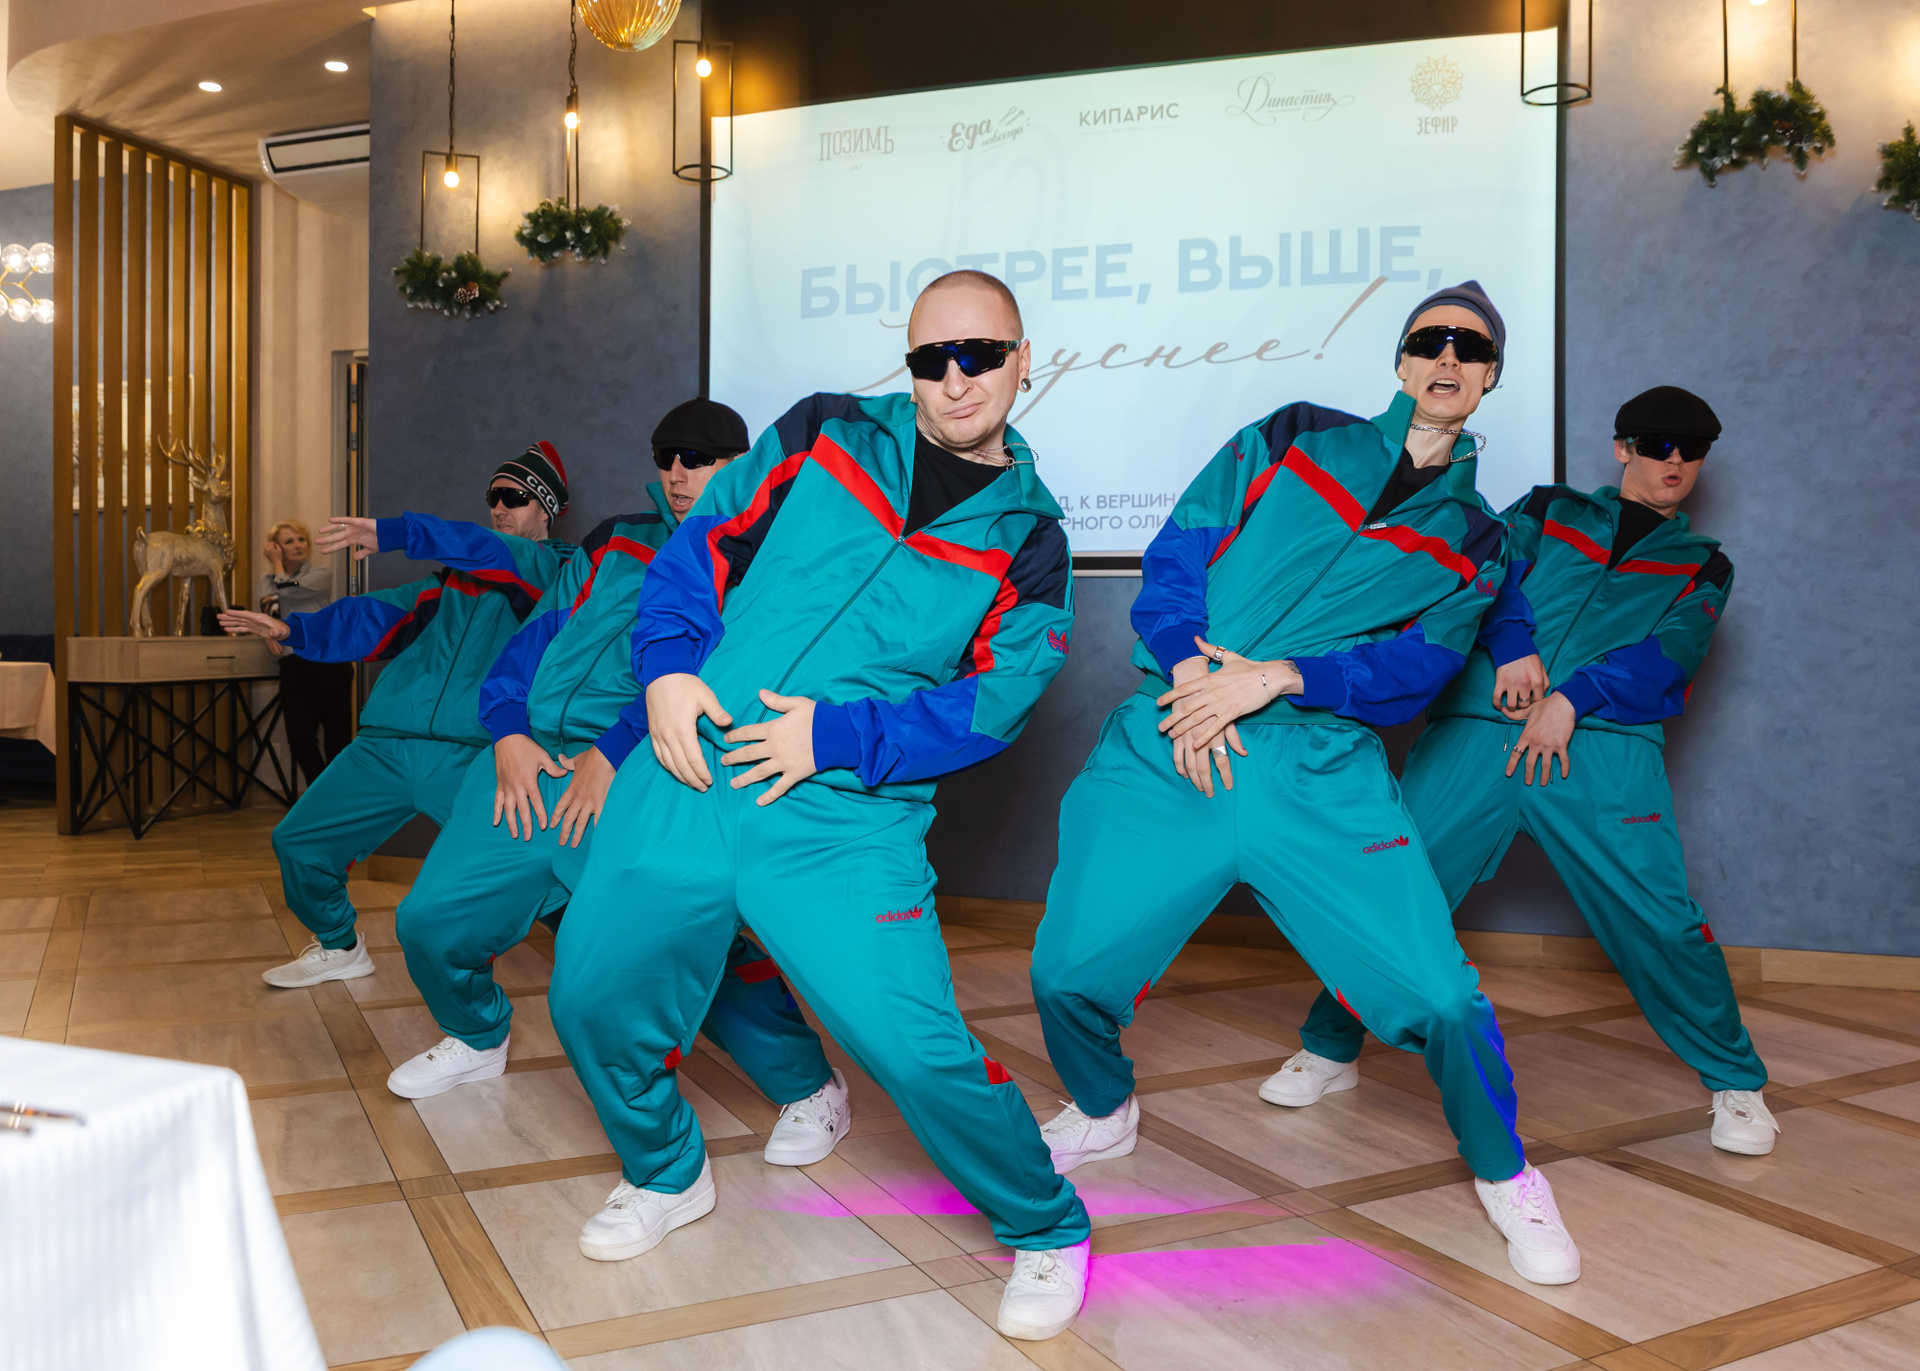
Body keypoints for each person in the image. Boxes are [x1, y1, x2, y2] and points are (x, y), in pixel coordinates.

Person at [546, 273, 1093, 1341]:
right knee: (591, 997)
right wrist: (666, 667)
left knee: (916, 1047)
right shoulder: (826, 431)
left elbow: (997, 701)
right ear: (909, 366)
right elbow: (702, 543)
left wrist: (834, 736)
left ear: (1024, 359)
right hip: (690, 768)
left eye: (980, 354)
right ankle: (665, 1170)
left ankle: (1046, 1222)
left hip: (844, 813)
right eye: (932, 358)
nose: (956, 378)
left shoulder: (1031, 538)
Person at [1029, 282, 1583, 1286]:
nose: (1447, 358)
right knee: (1066, 972)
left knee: (1443, 1000)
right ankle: (1104, 1109)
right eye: (1430, 340)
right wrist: (1191, 672)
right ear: (1402, 360)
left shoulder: (1480, 538)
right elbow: (1182, 548)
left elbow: (1421, 662)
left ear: (1491, 377)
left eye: (1471, 349)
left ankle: (1506, 1171)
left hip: (1319, 767)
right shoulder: (1295, 437)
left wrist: (1281, 677)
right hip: (1174, 734)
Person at [1280, 386, 1777, 1155]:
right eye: (1657, 444)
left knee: (1663, 919)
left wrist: (1573, 699)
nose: (1674, 461)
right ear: (1623, 448)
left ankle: (1736, 1080)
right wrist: (1514, 648)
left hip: (1601, 751)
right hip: (1481, 731)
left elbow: (1671, 652)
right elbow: (1487, 574)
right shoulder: (1550, 510)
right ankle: (1330, 1046)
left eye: (1693, 449)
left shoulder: (1704, 565)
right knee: (1396, 891)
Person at [382, 400, 852, 1170]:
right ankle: (475, 1033)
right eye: (668, 457)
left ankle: (809, 1083)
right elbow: (538, 635)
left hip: (645, 772)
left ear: (742, 464)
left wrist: (612, 751)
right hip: (533, 760)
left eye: (698, 458)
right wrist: (508, 729)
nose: (679, 473)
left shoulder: (764, 556)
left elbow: (711, 669)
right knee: (429, 922)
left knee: (677, 941)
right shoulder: (616, 538)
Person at [218, 444, 575, 988]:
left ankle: (609, 969)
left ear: (546, 509)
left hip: (480, 754)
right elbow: (372, 616)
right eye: (493, 497)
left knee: (540, 873)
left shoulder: (556, 573)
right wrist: (295, 631)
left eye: (514, 497)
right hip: (387, 743)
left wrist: (398, 532)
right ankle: (339, 946)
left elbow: (492, 550)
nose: (500, 507)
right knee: (299, 843)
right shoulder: (446, 584)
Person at [260, 519, 352, 789]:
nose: (298, 545)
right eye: (289, 541)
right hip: (294, 665)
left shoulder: (320, 575)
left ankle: (337, 799)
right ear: (276, 547)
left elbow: (289, 590)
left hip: (329, 662)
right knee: (299, 738)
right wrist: (267, 634)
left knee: (338, 738)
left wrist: (277, 566)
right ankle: (320, 796)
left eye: (301, 539)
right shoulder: (266, 582)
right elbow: (269, 612)